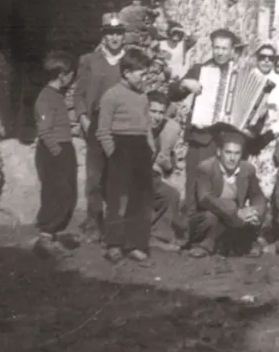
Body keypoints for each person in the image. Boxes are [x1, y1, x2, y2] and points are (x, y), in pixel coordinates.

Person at [169, 27, 239, 228]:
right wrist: (184, 84)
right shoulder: (200, 70)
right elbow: (173, 94)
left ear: (232, 50)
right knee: (194, 184)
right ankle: (188, 229)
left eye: (224, 48)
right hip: (201, 137)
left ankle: (218, 231)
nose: (220, 52)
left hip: (227, 140)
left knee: (222, 186)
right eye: (216, 47)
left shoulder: (239, 74)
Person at [95, 47, 154, 264]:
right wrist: (114, 155)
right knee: (117, 199)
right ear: (127, 73)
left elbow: (147, 125)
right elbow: (103, 131)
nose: (144, 78)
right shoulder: (111, 95)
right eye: (141, 74)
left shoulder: (143, 96)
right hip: (121, 149)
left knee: (141, 200)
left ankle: (135, 244)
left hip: (141, 150)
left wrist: (150, 147)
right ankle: (114, 244)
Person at [75, 12, 127, 242]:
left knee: (117, 177)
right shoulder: (89, 61)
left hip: (122, 124)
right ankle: (93, 223)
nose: (114, 38)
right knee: (94, 177)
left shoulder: (130, 61)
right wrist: (84, 119)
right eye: (110, 33)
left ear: (124, 35)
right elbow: (79, 94)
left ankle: (116, 227)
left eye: (118, 33)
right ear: (103, 35)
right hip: (96, 123)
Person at [186, 132, 267, 258]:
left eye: (237, 153)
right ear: (219, 152)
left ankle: (246, 244)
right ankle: (203, 245)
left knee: (256, 215)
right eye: (228, 152)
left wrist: (255, 212)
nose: (232, 158)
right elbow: (205, 198)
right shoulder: (206, 167)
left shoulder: (247, 169)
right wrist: (236, 211)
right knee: (211, 217)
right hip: (207, 215)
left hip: (234, 218)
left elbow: (257, 195)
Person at [33, 50, 81, 257]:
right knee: (55, 194)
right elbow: (44, 131)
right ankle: (45, 239)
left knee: (67, 194)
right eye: (71, 75)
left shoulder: (56, 96)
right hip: (53, 151)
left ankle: (53, 235)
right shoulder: (46, 98)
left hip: (62, 148)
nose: (72, 79)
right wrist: (58, 152)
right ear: (62, 75)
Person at [246, 44, 279, 199]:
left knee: (264, 183)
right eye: (262, 57)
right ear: (257, 59)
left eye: (270, 58)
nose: (266, 61)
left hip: (266, 139)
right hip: (244, 137)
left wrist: (267, 134)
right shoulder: (247, 77)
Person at [148, 90, 183, 252]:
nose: (157, 117)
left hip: (150, 178)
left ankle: (158, 236)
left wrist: (167, 164)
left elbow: (169, 165)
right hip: (128, 177)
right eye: (153, 111)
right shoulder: (135, 127)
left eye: (161, 113)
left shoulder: (167, 130)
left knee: (171, 194)